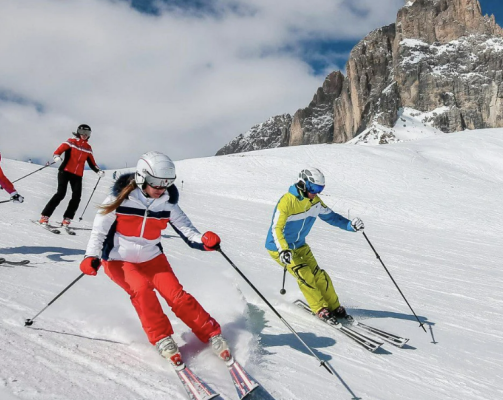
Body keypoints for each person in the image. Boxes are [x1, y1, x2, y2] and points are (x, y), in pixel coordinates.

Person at [80, 151, 233, 370]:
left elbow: (188, 232)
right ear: (142, 177)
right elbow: (99, 232)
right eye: (156, 183)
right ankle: (162, 337)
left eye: (166, 183)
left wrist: (205, 241)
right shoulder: (120, 198)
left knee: (177, 296)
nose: (161, 188)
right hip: (118, 260)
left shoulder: (167, 202)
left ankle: (211, 333)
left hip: (152, 258)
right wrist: (91, 256)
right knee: (141, 290)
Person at [265, 167, 362, 321]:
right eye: (313, 188)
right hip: (280, 248)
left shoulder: (315, 202)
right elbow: (276, 228)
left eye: (320, 189)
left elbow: (332, 217)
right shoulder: (287, 202)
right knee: (305, 274)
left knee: (319, 275)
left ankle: (334, 306)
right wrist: (283, 250)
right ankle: (320, 308)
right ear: (303, 184)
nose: (316, 192)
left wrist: (351, 226)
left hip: (300, 245)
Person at [40, 124, 101, 229]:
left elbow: (91, 162)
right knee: (61, 194)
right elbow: (58, 151)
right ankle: (45, 216)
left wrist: (98, 171)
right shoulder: (71, 142)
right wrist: (56, 157)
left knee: (77, 197)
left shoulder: (88, 148)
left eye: (87, 133)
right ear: (78, 132)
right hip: (65, 171)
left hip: (77, 175)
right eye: (82, 132)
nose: (84, 135)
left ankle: (67, 219)